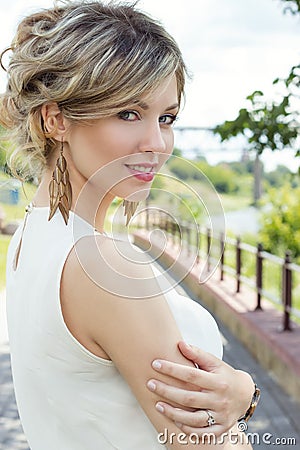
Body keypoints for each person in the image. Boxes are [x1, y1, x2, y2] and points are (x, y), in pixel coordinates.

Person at [1, 1, 258, 448]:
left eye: (167, 118)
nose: (157, 143)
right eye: (128, 113)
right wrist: (244, 395)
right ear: (55, 119)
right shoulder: (101, 263)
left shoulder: (31, 237)